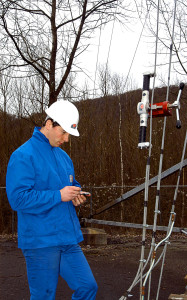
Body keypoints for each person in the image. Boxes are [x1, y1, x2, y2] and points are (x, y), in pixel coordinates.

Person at [6, 100, 98, 300]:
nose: (66, 139)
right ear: (49, 124)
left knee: (87, 286)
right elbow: (18, 199)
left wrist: (76, 194)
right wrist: (59, 195)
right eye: (63, 132)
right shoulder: (22, 155)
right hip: (40, 241)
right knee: (43, 296)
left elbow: (69, 184)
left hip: (67, 238)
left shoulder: (64, 157)